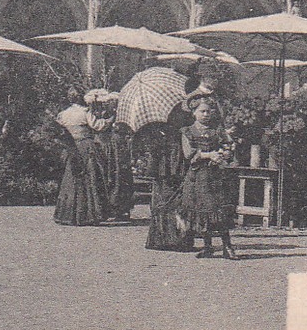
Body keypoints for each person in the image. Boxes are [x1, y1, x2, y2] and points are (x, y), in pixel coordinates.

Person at [179, 89, 237, 258]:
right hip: (197, 177)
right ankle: (207, 246)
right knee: (202, 211)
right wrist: (208, 155)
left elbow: (229, 146)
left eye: (208, 111)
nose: (205, 114)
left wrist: (224, 154)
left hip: (215, 176)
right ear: (194, 113)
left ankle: (227, 246)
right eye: (202, 111)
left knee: (219, 211)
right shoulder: (188, 132)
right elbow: (188, 154)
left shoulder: (217, 130)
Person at [139, 102, 193, 253]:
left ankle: (161, 239)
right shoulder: (181, 114)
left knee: (164, 201)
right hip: (173, 161)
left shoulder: (156, 118)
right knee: (174, 200)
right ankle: (175, 239)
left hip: (166, 162)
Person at [54, 87, 110, 226]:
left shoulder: (63, 114)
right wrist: (110, 119)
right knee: (90, 177)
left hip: (71, 147)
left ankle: (68, 214)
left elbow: (59, 131)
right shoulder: (85, 113)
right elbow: (98, 126)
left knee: (72, 178)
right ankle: (90, 214)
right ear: (80, 98)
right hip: (86, 146)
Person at [89, 89, 135, 220]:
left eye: (113, 102)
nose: (110, 104)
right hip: (111, 150)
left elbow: (127, 131)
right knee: (111, 177)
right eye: (109, 102)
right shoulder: (105, 115)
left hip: (119, 150)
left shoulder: (123, 116)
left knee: (121, 177)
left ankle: (122, 209)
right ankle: (111, 208)